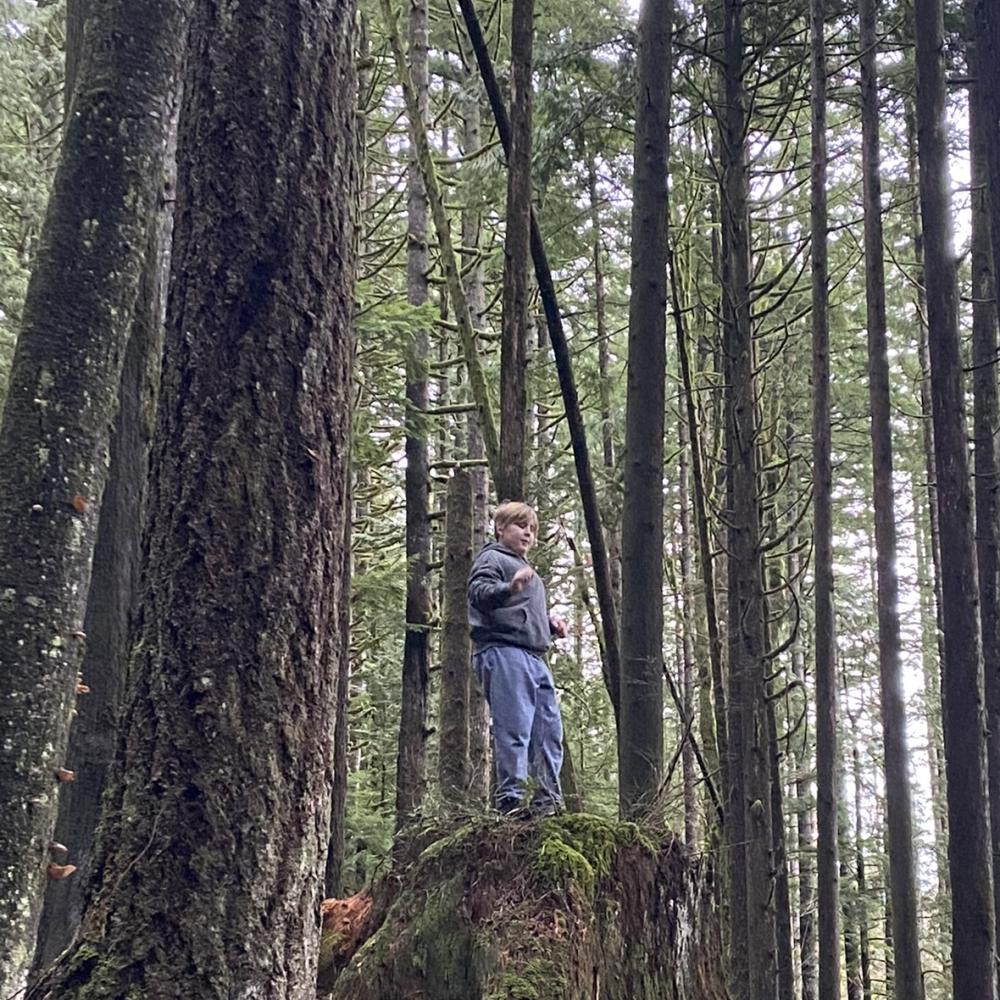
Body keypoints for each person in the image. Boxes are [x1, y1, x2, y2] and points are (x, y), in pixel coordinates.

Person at [467, 501, 568, 817]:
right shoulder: (492, 558)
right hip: (504, 652)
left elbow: (520, 614)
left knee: (548, 730)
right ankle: (510, 800)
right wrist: (508, 587)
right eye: (520, 525)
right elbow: (479, 593)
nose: (528, 533)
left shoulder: (526, 571)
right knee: (515, 727)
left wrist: (548, 626)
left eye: (532, 529)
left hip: (534, 657)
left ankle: (547, 800)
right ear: (500, 528)